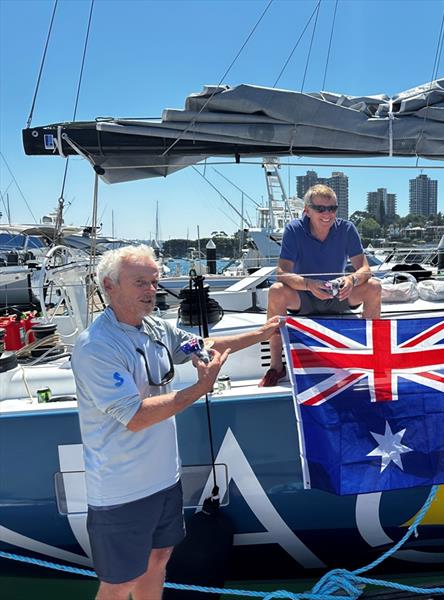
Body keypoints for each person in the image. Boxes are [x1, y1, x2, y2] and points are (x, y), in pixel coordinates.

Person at [72, 244, 281, 600]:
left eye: (154, 282)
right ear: (109, 286)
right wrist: (201, 388)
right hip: (122, 491)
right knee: (120, 582)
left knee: (159, 559)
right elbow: (135, 418)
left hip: (164, 481)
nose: (151, 290)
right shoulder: (97, 346)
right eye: (140, 282)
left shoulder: (154, 328)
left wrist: (264, 333)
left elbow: (206, 345)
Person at [262, 184, 382, 386]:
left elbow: (365, 269)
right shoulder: (294, 230)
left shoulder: (347, 229)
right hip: (305, 297)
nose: (327, 214)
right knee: (276, 292)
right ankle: (276, 366)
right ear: (307, 211)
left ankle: (369, 355)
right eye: (320, 209)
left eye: (332, 208)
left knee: (375, 287)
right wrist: (309, 285)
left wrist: (351, 280)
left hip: (339, 294)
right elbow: (281, 273)